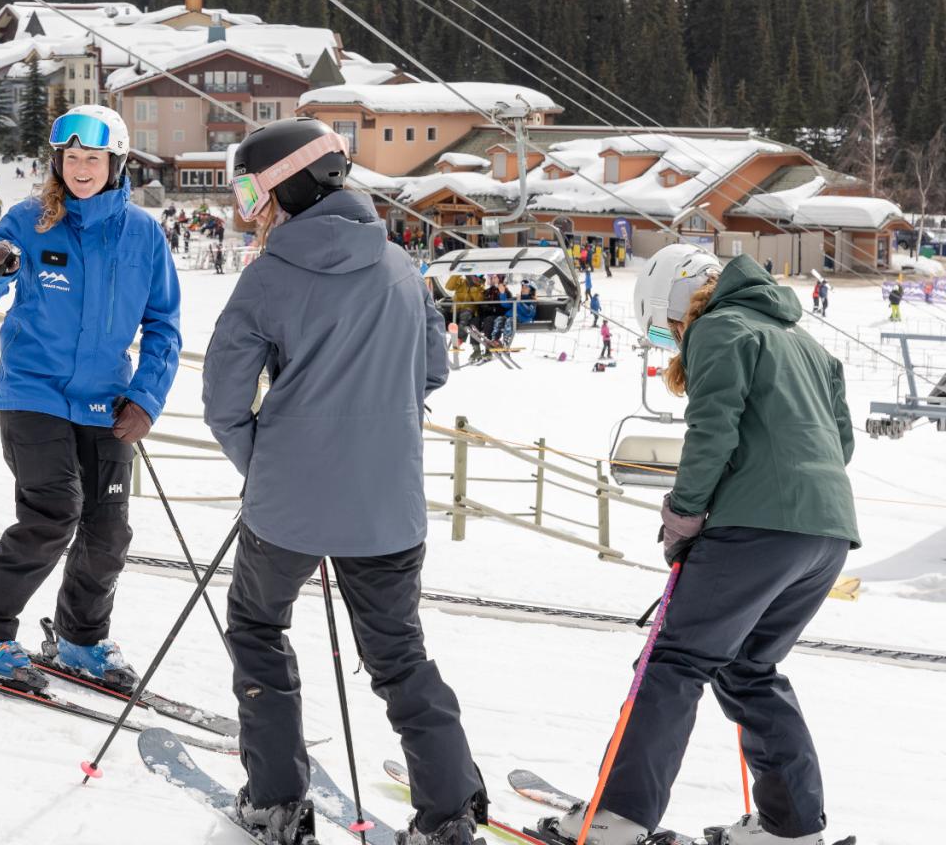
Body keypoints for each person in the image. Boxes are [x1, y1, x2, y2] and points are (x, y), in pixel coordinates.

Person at [203, 118, 485, 845]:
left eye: (251, 192)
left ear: (282, 187)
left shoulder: (268, 276)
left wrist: (263, 466)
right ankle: (448, 814)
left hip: (288, 505)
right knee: (399, 655)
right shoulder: (398, 265)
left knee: (259, 629)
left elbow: (224, 400)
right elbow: (432, 371)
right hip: (386, 504)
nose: (251, 210)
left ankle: (276, 799)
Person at [547, 246, 858, 845]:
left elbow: (713, 428)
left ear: (675, 306)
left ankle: (618, 818)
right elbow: (838, 445)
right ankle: (790, 828)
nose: (673, 339)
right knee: (748, 667)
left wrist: (684, 515)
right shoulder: (807, 345)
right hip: (826, 534)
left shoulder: (719, 327)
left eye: (668, 329)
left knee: (673, 663)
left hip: (757, 533)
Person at [0, 104, 180, 694]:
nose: (80, 168)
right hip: (33, 392)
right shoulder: (29, 221)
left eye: (92, 158)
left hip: (107, 401)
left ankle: (80, 639)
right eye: (71, 157)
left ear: (116, 163)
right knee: (53, 515)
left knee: (108, 529)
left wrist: (146, 397)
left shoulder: (144, 234)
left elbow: (164, 324)